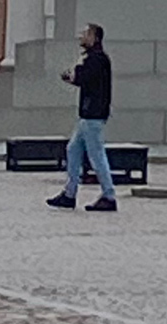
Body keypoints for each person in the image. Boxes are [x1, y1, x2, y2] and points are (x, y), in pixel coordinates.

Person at [47, 22, 118, 212]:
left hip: (92, 114)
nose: (81, 36)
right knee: (73, 149)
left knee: (96, 155)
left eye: (85, 33)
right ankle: (69, 193)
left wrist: (73, 74)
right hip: (87, 114)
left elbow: (85, 78)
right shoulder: (95, 58)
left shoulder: (96, 59)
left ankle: (109, 195)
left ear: (95, 38)